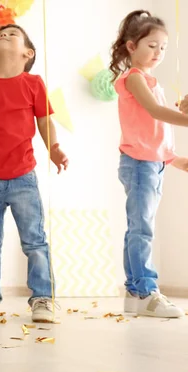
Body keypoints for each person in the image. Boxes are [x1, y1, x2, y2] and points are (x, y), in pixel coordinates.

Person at [0, 24, 69, 323]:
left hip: (23, 176)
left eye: (12, 34)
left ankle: (43, 298)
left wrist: (54, 148)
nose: (3, 36)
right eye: (0, 35)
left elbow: (45, 123)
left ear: (27, 53)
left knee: (34, 241)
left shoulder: (33, 83)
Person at [109, 10, 188, 317]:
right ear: (132, 47)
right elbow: (156, 113)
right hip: (140, 165)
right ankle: (146, 290)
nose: (159, 52)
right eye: (152, 45)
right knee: (142, 228)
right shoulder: (134, 79)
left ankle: (135, 288)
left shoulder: (152, 82)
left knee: (139, 228)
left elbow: (154, 132)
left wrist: (175, 159)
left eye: (163, 47)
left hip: (150, 164)